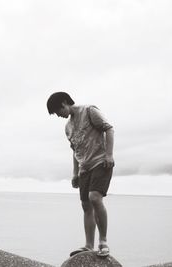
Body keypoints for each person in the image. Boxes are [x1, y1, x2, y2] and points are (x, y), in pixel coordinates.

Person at [47, 92, 115, 257]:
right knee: (86, 205)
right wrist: (75, 173)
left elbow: (109, 129)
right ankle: (88, 245)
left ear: (65, 103)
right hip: (84, 168)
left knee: (95, 198)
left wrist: (109, 154)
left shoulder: (89, 110)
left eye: (58, 111)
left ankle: (103, 242)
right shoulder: (68, 127)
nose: (59, 115)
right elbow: (75, 150)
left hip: (101, 162)